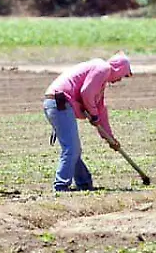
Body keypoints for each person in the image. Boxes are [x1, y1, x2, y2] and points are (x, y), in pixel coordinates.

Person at [42, 52, 132, 192]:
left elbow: (100, 110)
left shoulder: (101, 79)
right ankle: (61, 186)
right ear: (119, 68)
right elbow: (87, 93)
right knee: (72, 148)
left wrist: (110, 139)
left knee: (72, 148)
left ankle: (84, 183)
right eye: (124, 74)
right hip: (59, 102)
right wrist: (94, 115)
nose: (121, 79)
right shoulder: (103, 68)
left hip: (56, 103)